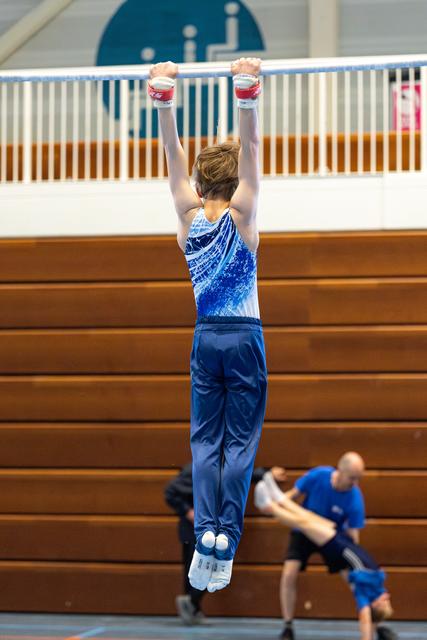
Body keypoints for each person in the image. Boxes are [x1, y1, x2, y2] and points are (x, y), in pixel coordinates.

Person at [148, 56, 267, 594]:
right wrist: (246, 98)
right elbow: (255, 153)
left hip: (205, 339)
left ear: (198, 186)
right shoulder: (243, 216)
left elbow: (172, 158)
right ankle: (223, 537)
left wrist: (165, 103)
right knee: (238, 443)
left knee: (204, 441)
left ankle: (206, 540)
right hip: (243, 339)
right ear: (236, 182)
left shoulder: (187, 219)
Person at [254, 474, 396, 640]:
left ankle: (269, 507)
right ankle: (280, 498)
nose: (387, 598)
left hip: (337, 547)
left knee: (304, 524)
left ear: (374, 605)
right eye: (388, 601)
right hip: (344, 541)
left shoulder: (364, 596)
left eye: (384, 603)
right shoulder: (379, 588)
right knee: (309, 517)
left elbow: (365, 618)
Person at [165, 464, 287, 625]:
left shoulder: (221, 467)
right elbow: (170, 492)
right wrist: (188, 511)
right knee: (197, 569)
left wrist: (267, 472)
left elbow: (242, 472)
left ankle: (192, 605)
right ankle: (191, 603)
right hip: (194, 529)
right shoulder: (197, 469)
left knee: (204, 569)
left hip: (210, 528)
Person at [280, 452, 366, 639]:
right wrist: (277, 503)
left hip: (332, 538)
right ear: (340, 471)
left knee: (356, 581)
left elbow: (353, 534)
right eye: (352, 478)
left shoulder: (355, 498)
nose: (355, 483)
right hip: (304, 532)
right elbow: (292, 495)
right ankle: (288, 626)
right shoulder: (318, 476)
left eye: (358, 478)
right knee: (288, 574)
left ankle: (376, 622)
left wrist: (357, 560)